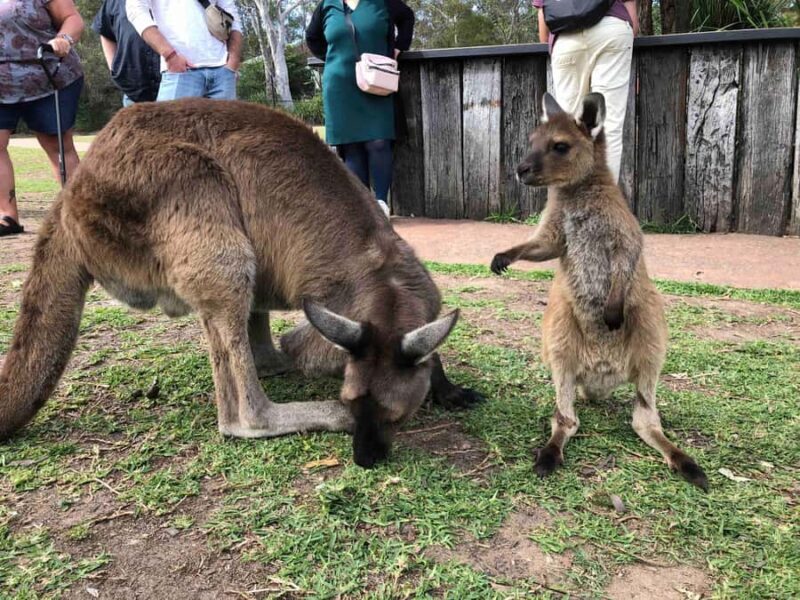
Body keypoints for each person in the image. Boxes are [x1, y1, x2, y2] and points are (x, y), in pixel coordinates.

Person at [306, 0, 414, 217]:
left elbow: (407, 17)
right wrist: (334, 57)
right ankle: (364, 209)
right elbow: (312, 38)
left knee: (379, 141)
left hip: (376, 80)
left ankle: (381, 204)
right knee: (351, 146)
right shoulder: (327, 5)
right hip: (340, 84)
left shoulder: (383, 2)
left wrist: (398, 48)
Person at [0, 0, 84, 237]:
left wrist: (63, 39)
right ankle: (7, 216)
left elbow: (73, 18)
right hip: (2, 85)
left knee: (57, 145)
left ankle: (82, 214)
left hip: (48, 76)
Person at [534, 0, 639, 182]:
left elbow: (544, 29)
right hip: (611, 31)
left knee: (565, 130)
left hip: (566, 37)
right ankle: (603, 197)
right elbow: (633, 21)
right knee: (609, 127)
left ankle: (568, 197)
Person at [125, 0, 243, 101]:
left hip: (223, 73)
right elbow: (135, 10)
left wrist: (233, 61)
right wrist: (170, 55)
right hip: (180, 72)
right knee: (168, 121)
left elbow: (232, 14)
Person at [92, 0, 161, 107]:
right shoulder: (115, 2)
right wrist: (114, 68)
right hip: (134, 91)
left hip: (174, 84)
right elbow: (105, 31)